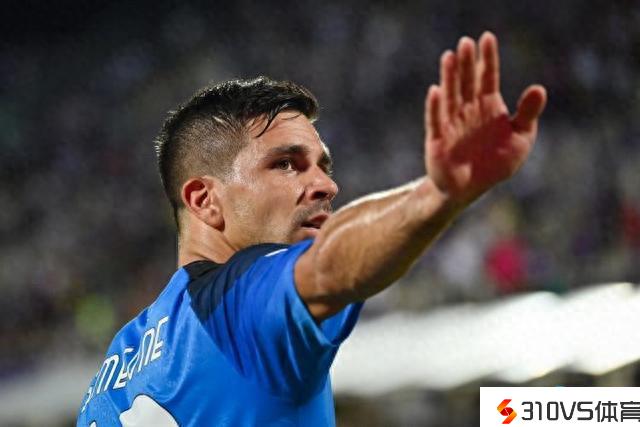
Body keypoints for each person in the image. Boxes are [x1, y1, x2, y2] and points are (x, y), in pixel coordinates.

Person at [76, 32, 546, 426]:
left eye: (323, 166)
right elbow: (327, 268)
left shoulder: (113, 370)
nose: (326, 185)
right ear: (204, 200)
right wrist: (438, 195)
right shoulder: (239, 306)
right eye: (285, 164)